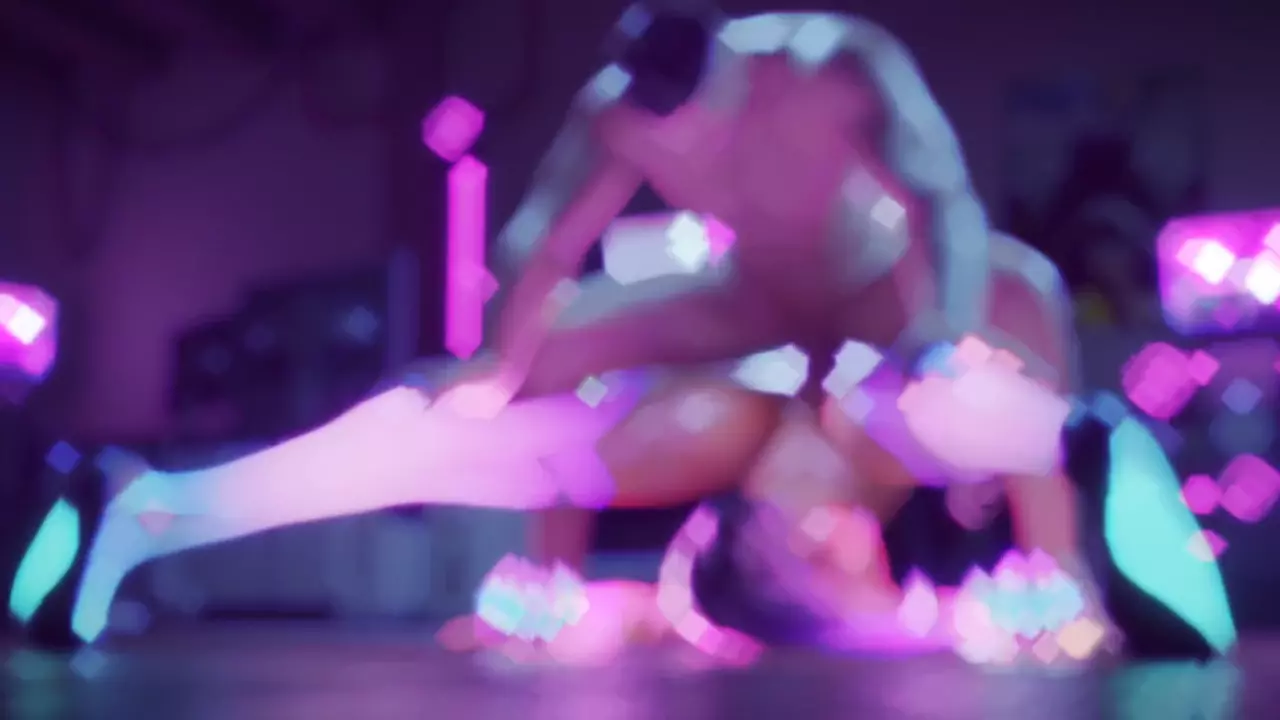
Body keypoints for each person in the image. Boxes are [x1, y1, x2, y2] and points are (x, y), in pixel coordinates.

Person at [6, 8, 1231, 661]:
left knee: (991, 303)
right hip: (753, 319)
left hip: (871, 300)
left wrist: (944, 331)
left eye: (791, 551)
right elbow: (535, 248)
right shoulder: (624, 131)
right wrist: (499, 372)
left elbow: (941, 200)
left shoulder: (829, 64)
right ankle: (150, 508)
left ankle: (1070, 514)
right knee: (514, 371)